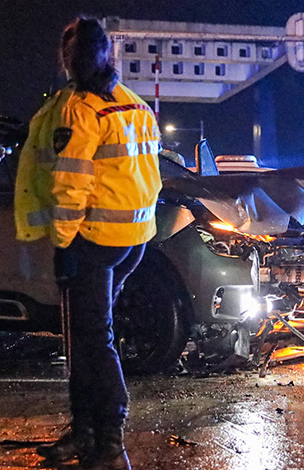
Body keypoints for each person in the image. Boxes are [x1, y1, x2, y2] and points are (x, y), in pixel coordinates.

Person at [14, 17, 162, 470]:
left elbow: (70, 184)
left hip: (92, 239)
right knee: (85, 336)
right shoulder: (132, 103)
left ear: (68, 60)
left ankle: (110, 442)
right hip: (132, 240)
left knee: (93, 339)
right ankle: (85, 433)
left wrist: (64, 244)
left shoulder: (81, 109)